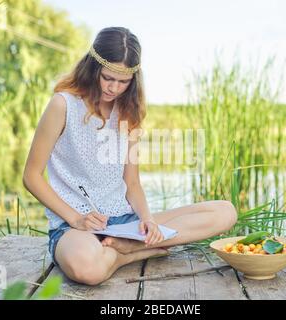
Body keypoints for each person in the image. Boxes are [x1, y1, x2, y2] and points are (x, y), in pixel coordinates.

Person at [22, 26, 237, 286]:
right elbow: (31, 176)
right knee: (87, 269)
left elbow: (131, 183)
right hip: (75, 227)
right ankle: (128, 254)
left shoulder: (128, 112)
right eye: (107, 78)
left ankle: (130, 244)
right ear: (92, 69)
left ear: (134, 79)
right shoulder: (62, 104)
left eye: (123, 82)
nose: (114, 88)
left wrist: (147, 220)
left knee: (226, 212)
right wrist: (76, 218)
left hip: (124, 222)